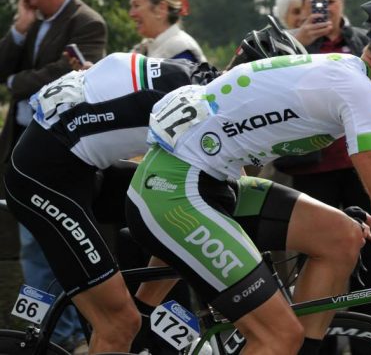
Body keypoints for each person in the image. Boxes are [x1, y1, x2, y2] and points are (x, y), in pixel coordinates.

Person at [124, 0, 371, 355]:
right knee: (277, 334)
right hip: (177, 190)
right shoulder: (356, 89)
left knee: (341, 237)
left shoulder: (351, 78)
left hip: (209, 183)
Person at [2, 53, 221, 353]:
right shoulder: (203, 111)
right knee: (119, 323)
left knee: (177, 207)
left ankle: (140, 315)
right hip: (43, 181)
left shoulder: (188, 73)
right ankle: (129, 321)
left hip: (79, 167)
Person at [278, 0, 371, 354]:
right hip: (311, 167)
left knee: (369, 253)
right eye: (313, 4)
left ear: (343, 4)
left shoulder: (363, 45)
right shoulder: (293, 45)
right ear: (302, 8)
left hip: (360, 163)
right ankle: (319, 339)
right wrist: (298, 41)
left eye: (330, 2)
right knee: (316, 255)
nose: (323, 10)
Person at [0, 0, 106, 353]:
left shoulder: (86, 22)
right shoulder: (33, 23)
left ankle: (63, 336)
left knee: (48, 245)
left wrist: (17, 81)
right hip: (21, 152)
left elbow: (67, 78)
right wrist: (19, 30)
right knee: (33, 246)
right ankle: (49, 333)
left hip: (59, 157)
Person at [129, 0, 205, 63]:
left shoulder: (182, 52)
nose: (131, 14)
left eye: (137, 5)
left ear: (161, 8)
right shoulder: (145, 49)